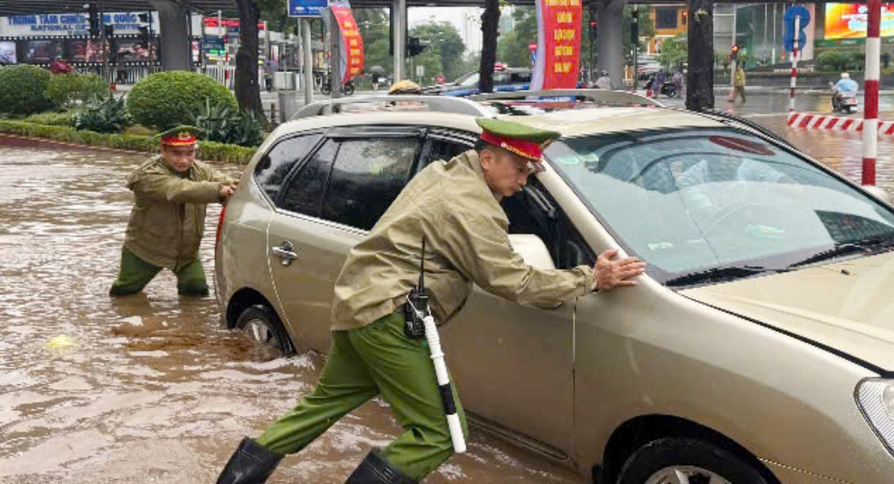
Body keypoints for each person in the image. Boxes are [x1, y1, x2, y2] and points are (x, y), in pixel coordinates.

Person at [215, 118, 646, 484]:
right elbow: (513, 281)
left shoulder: (445, 171)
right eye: (519, 168)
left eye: (530, 172)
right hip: (391, 313)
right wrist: (591, 276)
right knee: (441, 433)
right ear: (488, 157)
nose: (523, 181)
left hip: (360, 304)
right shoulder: (470, 207)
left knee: (322, 404)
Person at [109, 126, 238, 297]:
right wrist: (220, 190)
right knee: (124, 294)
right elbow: (178, 189)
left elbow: (223, 181)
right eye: (177, 154)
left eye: (189, 153)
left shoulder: (200, 170)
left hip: (186, 252)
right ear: (163, 150)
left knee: (197, 291)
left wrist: (236, 186)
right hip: (146, 250)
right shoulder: (148, 175)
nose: (184, 160)